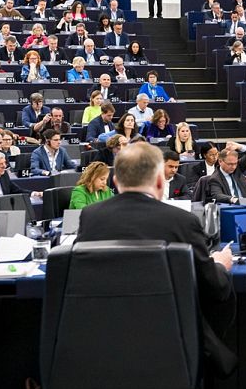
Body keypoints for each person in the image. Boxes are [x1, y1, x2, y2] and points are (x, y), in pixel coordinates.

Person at [76, 143, 237, 373]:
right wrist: (220, 265)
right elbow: (214, 286)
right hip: (174, 350)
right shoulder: (182, 221)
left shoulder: (90, 217)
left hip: (104, 347)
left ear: (114, 181)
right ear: (160, 182)